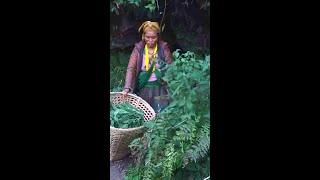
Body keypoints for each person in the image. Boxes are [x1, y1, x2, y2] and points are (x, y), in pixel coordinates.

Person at [122, 20, 173, 112]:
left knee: (161, 113)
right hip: (143, 87)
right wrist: (127, 87)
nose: (150, 40)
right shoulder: (138, 48)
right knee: (143, 112)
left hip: (160, 87)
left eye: (153, 37)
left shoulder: (163, 48)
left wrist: (172, 84)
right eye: (147, 37)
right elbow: (131, 68)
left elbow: (171, 67)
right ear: (143, 36)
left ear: (158, 36)